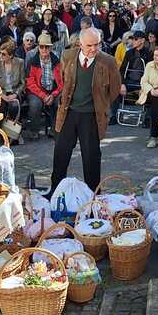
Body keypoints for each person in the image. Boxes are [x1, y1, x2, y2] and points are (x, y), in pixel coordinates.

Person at [50, 28, 121, 194]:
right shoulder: (68, 56)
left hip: (91, 115)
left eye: (97, 44)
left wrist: (101, 104)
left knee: (91, 156)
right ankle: (55, 191)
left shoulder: (108, 61)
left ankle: (93, 194)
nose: (94, 49)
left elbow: (115, 89)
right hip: (68, 112)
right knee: (61, 153)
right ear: (80, 44)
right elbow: (63, 79)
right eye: (89, 45)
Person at [26, 33, 63, 140]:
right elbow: (30, 83)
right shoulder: (33, 61)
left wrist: (53, 95)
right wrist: (44, 96)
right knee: (35, 104)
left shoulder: (57, 61)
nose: (44, 49)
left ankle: (55, 129)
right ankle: (34, 130)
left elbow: (62, 82)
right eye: (41, 47)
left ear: (51, 48)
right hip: (37, 91)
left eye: (47, 47)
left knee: (61, 101)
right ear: (38, 47)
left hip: (53, 90)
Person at [0, 40, 24, 142]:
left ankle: (12, 134)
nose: (1, 56)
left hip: (15, 91)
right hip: (2, 92)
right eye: (0, 53)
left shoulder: (19, 63)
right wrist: (2, 95)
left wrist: (16, 94)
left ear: (11, 55)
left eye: (4, 54)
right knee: (0, 107)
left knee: (14, 107)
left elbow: (23, 82)